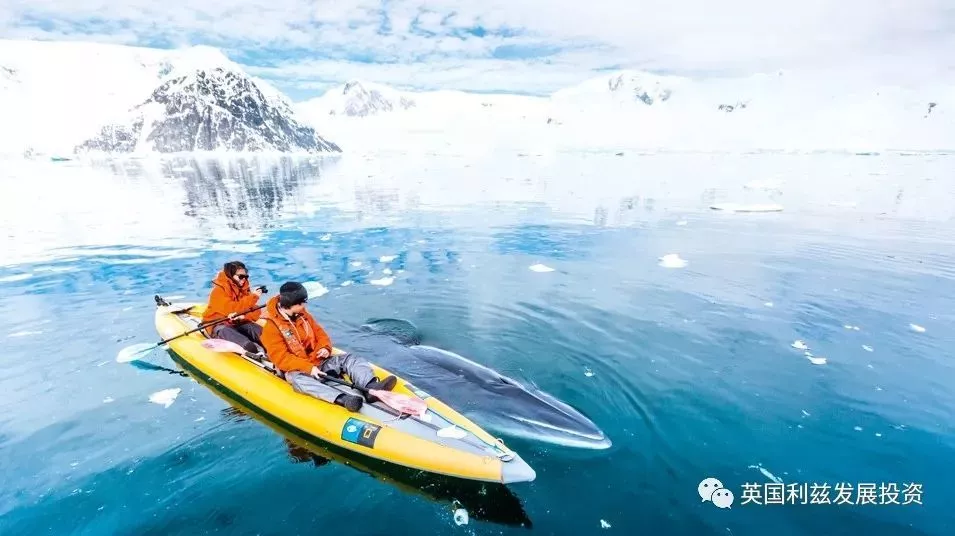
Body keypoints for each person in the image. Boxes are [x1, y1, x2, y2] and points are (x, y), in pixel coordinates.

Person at [260, 281, 397, 412]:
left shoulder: (303, 315)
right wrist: (308, 368)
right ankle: (343, 399)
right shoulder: (271, 328)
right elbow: (281, 358)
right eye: (301, 303)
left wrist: (324, 348)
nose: (304, 305)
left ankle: (370, 387)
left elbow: (320, 334)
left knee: (350, 359)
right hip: (298, 370)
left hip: (318, 360)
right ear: (291, 304)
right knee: (299, 381)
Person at [202, 261, 265, 354]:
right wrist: (253, 297)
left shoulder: (243, 289)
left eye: (246, 276)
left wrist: (244, 316)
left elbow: (255, 310)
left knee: (267, 337)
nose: (244, 279)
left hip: (238, 322)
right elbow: (232, 309)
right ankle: (253, 354)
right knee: (247, 345)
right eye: (241, 276)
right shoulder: (218, 291)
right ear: (230, 276)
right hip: (219, 324)